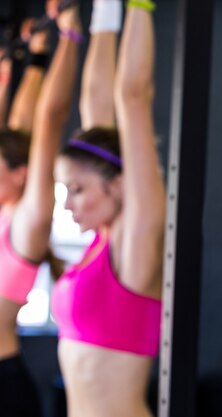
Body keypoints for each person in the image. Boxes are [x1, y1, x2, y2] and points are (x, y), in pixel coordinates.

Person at [51, 0, 164, 416]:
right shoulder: (99, 244)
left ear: (118, 184)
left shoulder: (135, 246)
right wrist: (104, 12)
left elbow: (132, 97)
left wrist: (138, 6)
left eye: (77, 189)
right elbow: (96, 101)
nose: (67, 203)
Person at [0, 2, 81, 416]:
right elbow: (14, 122)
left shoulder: (25, 223)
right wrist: (30, 57)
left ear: (20, 174)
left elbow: (46, 122)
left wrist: (69, 36)